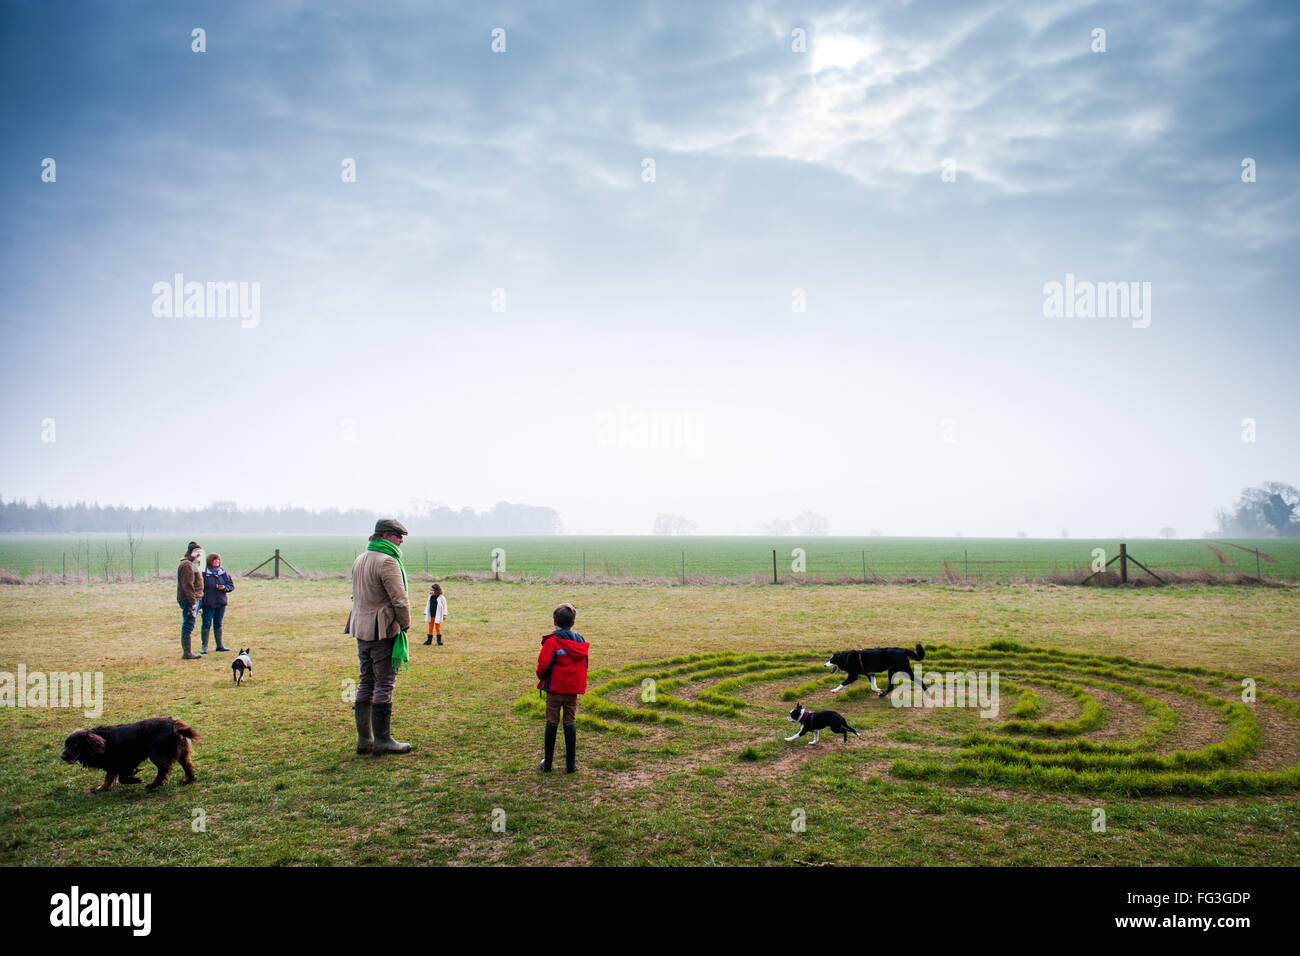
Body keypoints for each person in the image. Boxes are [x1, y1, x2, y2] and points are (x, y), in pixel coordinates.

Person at [345, 518, 413, 755]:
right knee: (384, 682)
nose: (401, 540)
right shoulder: (388, 562)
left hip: (361, 629)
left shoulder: (360, 559)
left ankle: (365, 740)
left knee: (366, 680)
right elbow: (399, 599)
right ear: (385, 536)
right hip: (382, 630)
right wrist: (405, 625)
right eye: (397, 535)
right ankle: (383, 740)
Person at [535, 602, 589, 774]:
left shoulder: (552, 642)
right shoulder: (580, 640)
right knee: (570, 722)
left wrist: (542, 677)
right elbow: (584, 664)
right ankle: (571, 765)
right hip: (572, 690)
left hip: (555, 689)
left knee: (552, 722)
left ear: (554, 621)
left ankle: (548, 763)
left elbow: (543, 665)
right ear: (573, 622)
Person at [200, 553, 234, 654]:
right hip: (207, 604)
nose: (217, 562)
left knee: (218, 624)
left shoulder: (223, 573)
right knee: (206, 624)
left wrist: (225, 588)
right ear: (209, 562)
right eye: (214, 560)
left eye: (218, 560)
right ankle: (204, 647)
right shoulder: (203, 574)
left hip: (221, 603)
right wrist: (200, 606)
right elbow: (199, 589)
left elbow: (231, 585)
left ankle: (219, 645)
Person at [176, 541, 204, 660]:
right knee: (188, 623)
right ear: (191, 552)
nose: (199, 554)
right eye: (197, 552)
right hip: (189, 599)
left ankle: (187, 652)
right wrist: (193, 603)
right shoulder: (187, 565)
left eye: (200, 552)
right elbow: (187, 585)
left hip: (193, 599)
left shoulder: (191, 564)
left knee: (189, 623)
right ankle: (187, 653)